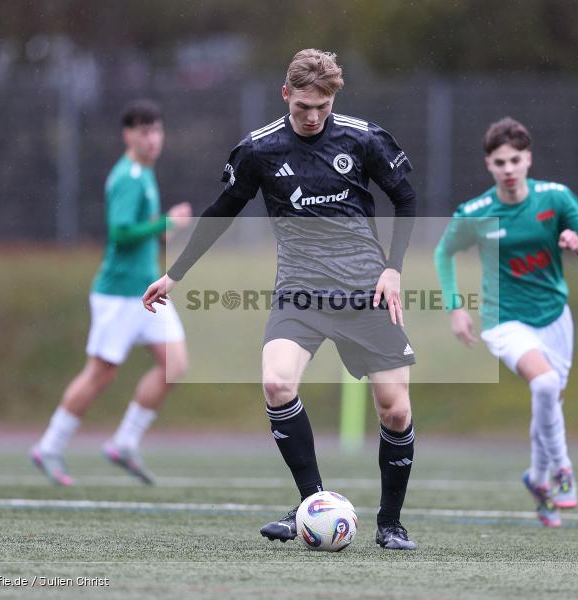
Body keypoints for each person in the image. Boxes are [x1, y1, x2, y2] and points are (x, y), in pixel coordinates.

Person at [142, 50, 419, 550]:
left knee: (395, 411)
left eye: (324, 105)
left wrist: (394, 269)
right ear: (286, 94)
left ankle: (391, 523)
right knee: (276, 382)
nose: (313, 116)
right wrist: (174, 274)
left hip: (364, 290)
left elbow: (406, 197)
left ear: (334, 98)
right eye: (304, 106)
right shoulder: (259, 150)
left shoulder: (362, 137)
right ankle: (311, 503)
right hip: (300, 292)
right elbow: (222, 210)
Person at [434, 117, 578, 527]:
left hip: (554, 316)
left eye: (515, 159)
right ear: (489, 166)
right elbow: (444, 253)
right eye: (500, 162)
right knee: (545, 384)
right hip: (503, 320)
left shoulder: (556, 198)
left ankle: (538, 479)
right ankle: (563, 471)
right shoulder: (476, 212)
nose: (508, 169)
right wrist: (455, 307)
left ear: (528, 159)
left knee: (549, 400)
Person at [30, 99, 192, 486]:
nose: (152, 139)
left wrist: (163, 229)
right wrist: (164, 223)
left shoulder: (144, 174)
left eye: (157, 131)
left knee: (175, 365)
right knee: (101, 374)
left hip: (146, 290)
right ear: (129, 135)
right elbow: (119, 231)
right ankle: (49, 447)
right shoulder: (127, 177)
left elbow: (141, 230)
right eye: (144, 132)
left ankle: (124, 442)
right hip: (118, 294)